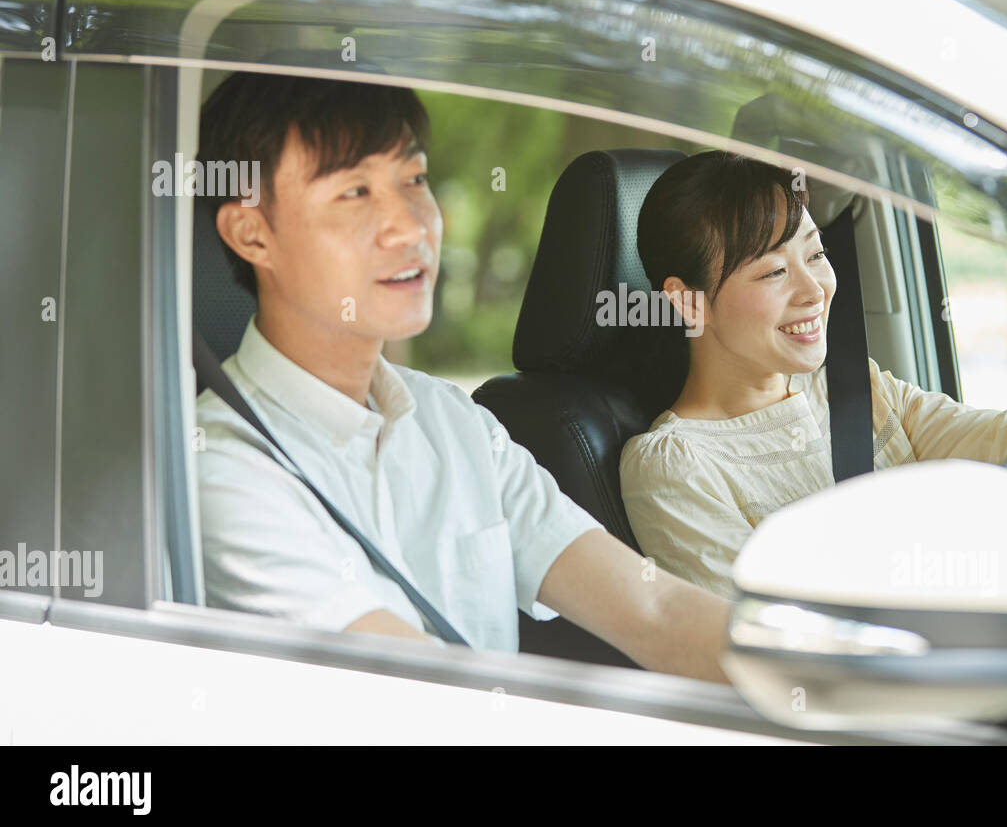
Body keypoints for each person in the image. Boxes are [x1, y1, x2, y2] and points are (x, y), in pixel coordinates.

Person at [193, 72, 730, 682]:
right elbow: (437, 704)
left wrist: (818, 680)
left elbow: (653, 606)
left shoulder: (454, 420)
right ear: (251, 232)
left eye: (414, 180)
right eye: (354, 192)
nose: (411, 225)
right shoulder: (225, 471)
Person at [619, 151, 1007, 597]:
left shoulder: (858, 389)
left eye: (816, 255)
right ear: (688, 301)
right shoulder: (673, 467)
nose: (814, 290)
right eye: (774, 272)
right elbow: (750, 645)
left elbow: (1003, 443)